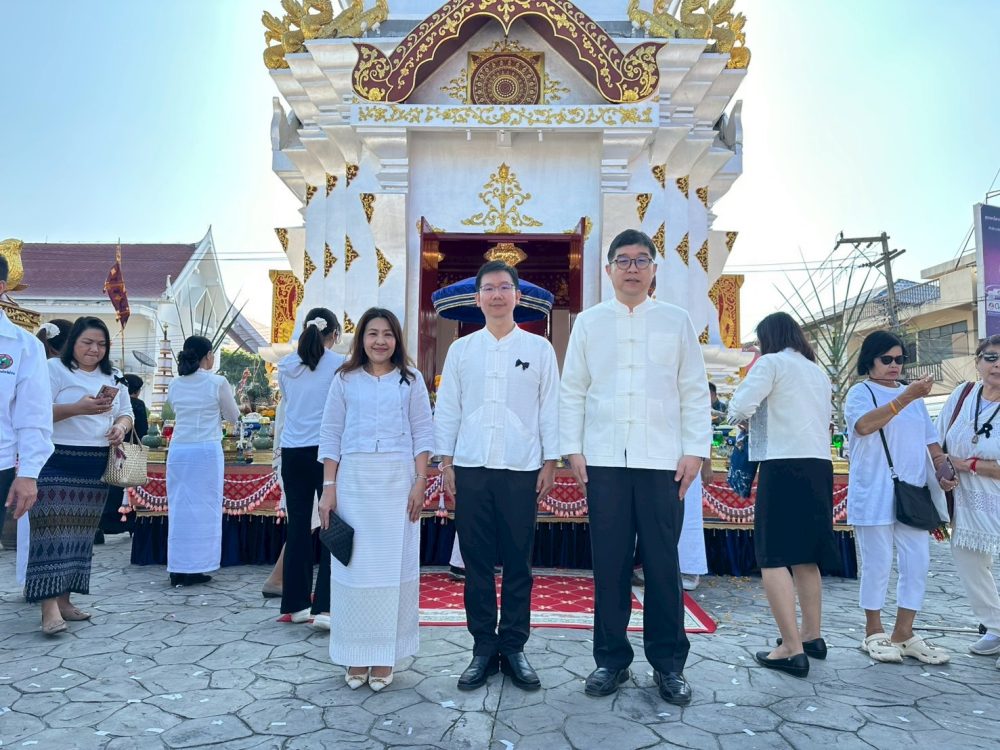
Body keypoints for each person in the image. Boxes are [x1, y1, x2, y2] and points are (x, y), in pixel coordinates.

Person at [560, 229, 710, 705]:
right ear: (608, 270)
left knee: (664, 566)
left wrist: (695, 450)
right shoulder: (589, 323)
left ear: (653, 269)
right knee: (610, 565)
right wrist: (572, 448)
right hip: (604, 460)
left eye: (641, 259)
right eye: (622, 260)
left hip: (663, 462)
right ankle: (611, 660)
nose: (631, 268)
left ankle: (669, 665)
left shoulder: (676, 320)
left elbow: (693, 388)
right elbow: (573, 388)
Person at [435, 260, 560, 692]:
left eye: (504, 287)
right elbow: (448, 407)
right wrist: (446, 462)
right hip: (471, 466)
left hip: (521, 467)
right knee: (477, 564)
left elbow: (550, 406)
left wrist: (550, 460)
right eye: (488, 288)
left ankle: (514, 646)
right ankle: (483, 649)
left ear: (517, 296)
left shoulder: (539, 348)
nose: (497, 295)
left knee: (519, 562)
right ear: (477, 298)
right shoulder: (461, 350)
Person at [318, 307, 433, 691]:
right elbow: (331, 433)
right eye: (372, 333)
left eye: (387, 334)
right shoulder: (344, 379)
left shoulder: (411, 380)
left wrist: (420, 481)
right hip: (354, 483)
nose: (380, 341)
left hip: (398, 484)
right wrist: (329, 487)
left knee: (392, 570)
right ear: (361, 339)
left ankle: (385, 655)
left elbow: (423, 432)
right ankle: (355, 653)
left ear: (397, 339)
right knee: (354, 569)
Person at [728, 312, 837, 678]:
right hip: (818, 465)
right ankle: (811, 636)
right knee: (806, 556)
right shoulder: (816, 372)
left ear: (768, 338)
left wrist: (743, 418)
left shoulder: (771, 363)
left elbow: (739, 407)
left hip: (783, 463)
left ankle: (790, 648)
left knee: (772, 555)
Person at [844, 331, 951, 665]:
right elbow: (864, 426)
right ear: (870, 360)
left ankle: (904, 632)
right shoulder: (860, 392)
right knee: (877, 563)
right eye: (886, 359)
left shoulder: (914, 398)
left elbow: (932, 444)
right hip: (874, 491)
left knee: (917, 562)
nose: (894, 365)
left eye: (900, 359)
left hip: (912, 492)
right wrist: (906, 396)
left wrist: (943, 468)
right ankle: (873, 631)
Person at [25, 316, 133, 634]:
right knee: (50, 534)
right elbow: (34, 411)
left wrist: (120, 427)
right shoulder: (53, 369)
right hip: (55, 460)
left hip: (94, 463)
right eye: (87, 342)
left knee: (80, 537)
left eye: (101, 344)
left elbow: (126, 412)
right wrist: (77, 408)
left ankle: (65, 601)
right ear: (73, 342)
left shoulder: (113, 375)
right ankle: (48, 608)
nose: (94, 349)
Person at [276, 308, 343, 630]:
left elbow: (289, 405)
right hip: (326, 451)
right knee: (332, 525)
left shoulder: (286, 366)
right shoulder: (340, 364)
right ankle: (326, 606)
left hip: (292, 451)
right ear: (335, 335)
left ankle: (295, 604)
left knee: (298, 526)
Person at [939, 334, 1000, 666]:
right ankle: (995, 627)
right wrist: (944, 468)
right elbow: (937, 443)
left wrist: (968, 465)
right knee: (970, 563)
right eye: (991, 358)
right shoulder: (962, 395)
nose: (997, 365)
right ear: (977, 362)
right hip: (965, 500)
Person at [165, 336, 240, 586]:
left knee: (179, 508)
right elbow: (233, 416)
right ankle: (197, 566)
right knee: (205, 508)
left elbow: (173, 409)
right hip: (206, 450)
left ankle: (178, 566)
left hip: (179, 450)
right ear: (208, 355)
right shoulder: (217, 382)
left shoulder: (175, 383)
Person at [98, 374, 148, 540]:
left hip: (107, 448)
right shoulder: (138, 405)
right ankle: (129, 524)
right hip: (129, 454)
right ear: (137, 390)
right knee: (126, 488)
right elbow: (142, 431)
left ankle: (100, 526)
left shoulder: (109, 401)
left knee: (107, 486)